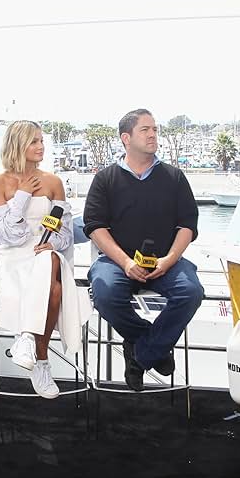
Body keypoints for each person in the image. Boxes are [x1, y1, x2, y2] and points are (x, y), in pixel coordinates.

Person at [83, 109, 204, 392]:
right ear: (126, 138)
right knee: (105, 293)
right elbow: (95, 227)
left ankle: (140, 355)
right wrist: (125, 262)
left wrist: (170, 259)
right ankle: (154, 346)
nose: (153, 135)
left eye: (155, 129)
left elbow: (188, 224)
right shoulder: (105, 179)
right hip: (116, 261)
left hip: (165, 260)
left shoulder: (174, 177)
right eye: (145, 130)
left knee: (191, 292)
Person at [0, 121, 91, 399]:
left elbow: (65, 233)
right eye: (34, 141)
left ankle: (27, 340)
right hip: (12, 258)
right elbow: (6, 236)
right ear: (17, 145)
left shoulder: (54, 182)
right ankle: (41, 361)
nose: (41, 146)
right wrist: (22, 196)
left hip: (45, 253)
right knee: (53, 289)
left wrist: (50, 243)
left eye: (42, 141)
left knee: (50, 260)